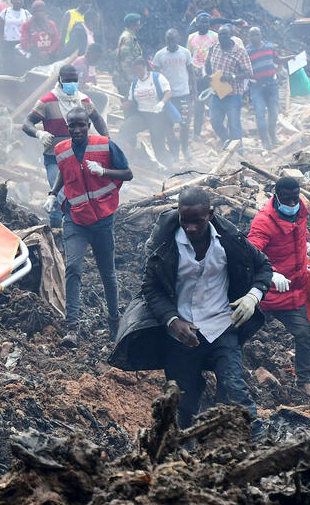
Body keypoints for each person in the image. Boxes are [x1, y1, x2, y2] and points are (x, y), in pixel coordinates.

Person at [110, 187, 271, 437]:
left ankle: (261, 441)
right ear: (178, 214)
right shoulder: (164, 246)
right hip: (181, 336)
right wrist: (171, 320)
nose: (192, 227)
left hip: (221, 327)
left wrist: (253, 296)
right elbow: (150, 289)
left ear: (211, 213)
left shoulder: (230, 240)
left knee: (234, 389)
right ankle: (188, 449)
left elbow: (263, 267)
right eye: (186, 220)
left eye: (198, 220)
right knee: (184, 402)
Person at [45, 107, 132, 345]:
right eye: (72, 126)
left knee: (107, 273)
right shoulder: (61, 150)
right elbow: (64, 172)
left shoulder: (105, 145)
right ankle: (71, 328)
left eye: (81, 125)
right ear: (67, 126)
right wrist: (53, 193)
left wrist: (104, 171)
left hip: (103, 219)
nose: (77, 130)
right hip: (75, 218)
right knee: (72, 267)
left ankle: (114, 321)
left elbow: (128, 173)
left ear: (88, 125)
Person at [247, 177, 310, 397]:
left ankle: (303, 382)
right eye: (286, 199)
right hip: (265, 291)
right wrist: (270, 274)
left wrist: (305, 242)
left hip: (291, 291)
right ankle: (236, 375)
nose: (291, 202)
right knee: (240, 332)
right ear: (276, 195)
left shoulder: (300, 211)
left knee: (304, 335)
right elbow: (250, 254)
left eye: (294, 198)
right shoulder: (263, 221)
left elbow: (299, 233)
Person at [22, 65, 110, 228]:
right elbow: (27, 123)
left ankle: (76, 231)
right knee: (58, 196)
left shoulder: (83, 100)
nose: (71, 83)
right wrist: (39, 134)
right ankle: (56, 232)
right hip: (55, 158)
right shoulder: (47, 102)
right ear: (60, 81)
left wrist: (107, 140)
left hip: (81, 158)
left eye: (74, 80)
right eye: (68, 80)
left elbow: (98, 120)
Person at [117, 57, 175, 168]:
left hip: (158, 116)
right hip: (142, 115)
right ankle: (120, 157)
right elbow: (130, 101)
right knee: (125, 129)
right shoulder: (135, 83)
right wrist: (118, 107)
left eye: (140, 70)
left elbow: (168, 92)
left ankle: (171, 166)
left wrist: (162, 103)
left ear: (145, 68)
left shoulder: (157, 77)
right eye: (136, 71)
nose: (138, 73)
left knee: (158, 147)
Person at [204, 24, 252, 148]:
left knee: (234, 124)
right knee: (214, 121)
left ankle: (239, 151)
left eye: (224, 34)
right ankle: (228, 141)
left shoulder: (240, 52)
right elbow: (208, 62)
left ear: (231, 35)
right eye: (220, 34)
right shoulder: (214, 47)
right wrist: (209, 75)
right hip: (217, 91)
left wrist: (232, 76)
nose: (221, 37)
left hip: (233, 94)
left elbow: (249, 72)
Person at [152, 28, 194, 160]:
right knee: (168, 126)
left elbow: (191, 72)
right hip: (168, 97)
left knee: (185, 124)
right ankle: (174, 154)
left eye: (173, 39)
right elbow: (156, 77)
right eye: (168, 39)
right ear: (166, 40)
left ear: (178, 38)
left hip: (184, 95)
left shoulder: (185, 53)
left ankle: (185, 149)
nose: (171, 42)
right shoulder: (159, 55)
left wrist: (194, 93)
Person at [246, 26, 288, 150]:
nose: (254, 37)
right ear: (249, 37)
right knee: (260, 113)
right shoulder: (246, 51)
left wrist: (289, 58)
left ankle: (272, 135)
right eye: (252, 35)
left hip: (272, 85)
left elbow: (277, 59)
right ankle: (264, 140)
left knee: (274, 112)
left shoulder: (270, 47)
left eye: (256, 34)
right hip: (256, 86)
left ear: (261, 35)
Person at [186, 12, 217, 140]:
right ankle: (197, 133)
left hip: (212, 74)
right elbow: (189, 56)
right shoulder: (191, 37)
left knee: (217, 102)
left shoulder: (215, 36)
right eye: (202, 22)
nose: (204, 24)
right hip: (197, 75)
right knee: (198, 103)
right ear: (197, 24)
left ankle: (218, 131)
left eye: (207, 22)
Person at [0, 0, 28, 75]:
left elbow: (30, 30)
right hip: (7, 44)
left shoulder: (26, 13)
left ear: (23, 1)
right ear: (11, 1)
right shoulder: (5, 12)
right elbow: (0, 30)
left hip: (21, 44)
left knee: (20, 67)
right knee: (8, 67)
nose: (18, 1)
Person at [19, 0, 60, 65]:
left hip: (50, 58)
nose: (40, 13)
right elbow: (24, 42)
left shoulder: (51, 24)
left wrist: (49, 52)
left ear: (45, 12)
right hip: (33, 60)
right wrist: (38, 53)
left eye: (41, 11)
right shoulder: (27, 25)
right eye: (37, 11)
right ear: (33, 12)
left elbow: (57, 40)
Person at [113, 13, 143, 93]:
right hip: (125, 81)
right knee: (129, 104)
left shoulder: (131, 37)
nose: (139, 26)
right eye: (138, 24)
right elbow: (125, 61)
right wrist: (131, 80)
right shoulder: (127, 38)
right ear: (133, 25)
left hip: (127, 79)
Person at [73, 42, 105, 113]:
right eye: (96, 58)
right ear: (88, 53)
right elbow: (76, 88)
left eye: (99, 58)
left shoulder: (82, 61)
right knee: (102, 98)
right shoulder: (82, 66)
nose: (97, 61)